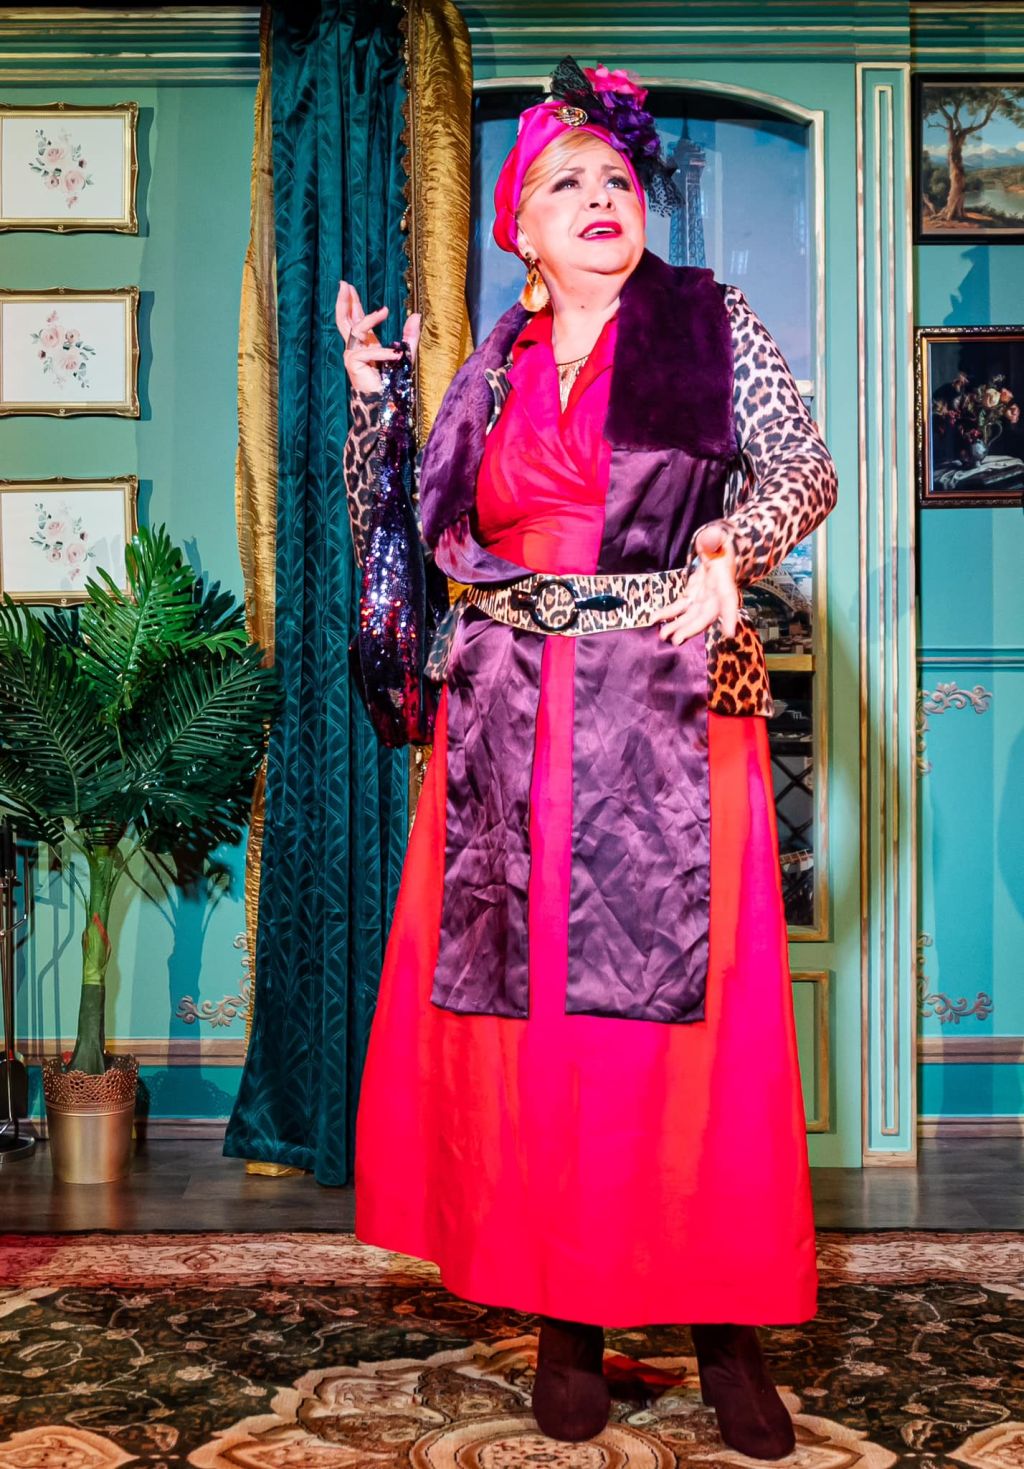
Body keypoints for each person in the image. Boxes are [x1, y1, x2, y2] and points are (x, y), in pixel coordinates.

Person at [338, 58, 837, 1459]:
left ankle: (725, 1333)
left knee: (686, 1040)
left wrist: (734, 544)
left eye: (616, 177)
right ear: (522, 230)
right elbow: (418, 531)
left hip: (667, 710)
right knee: (541, 1039)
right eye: (566, 182)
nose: (600, 196)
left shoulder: (707, 321)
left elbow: (803, 468)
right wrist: (376, 402)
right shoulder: (492, 364)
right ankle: (566, 1323)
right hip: (508, 728)